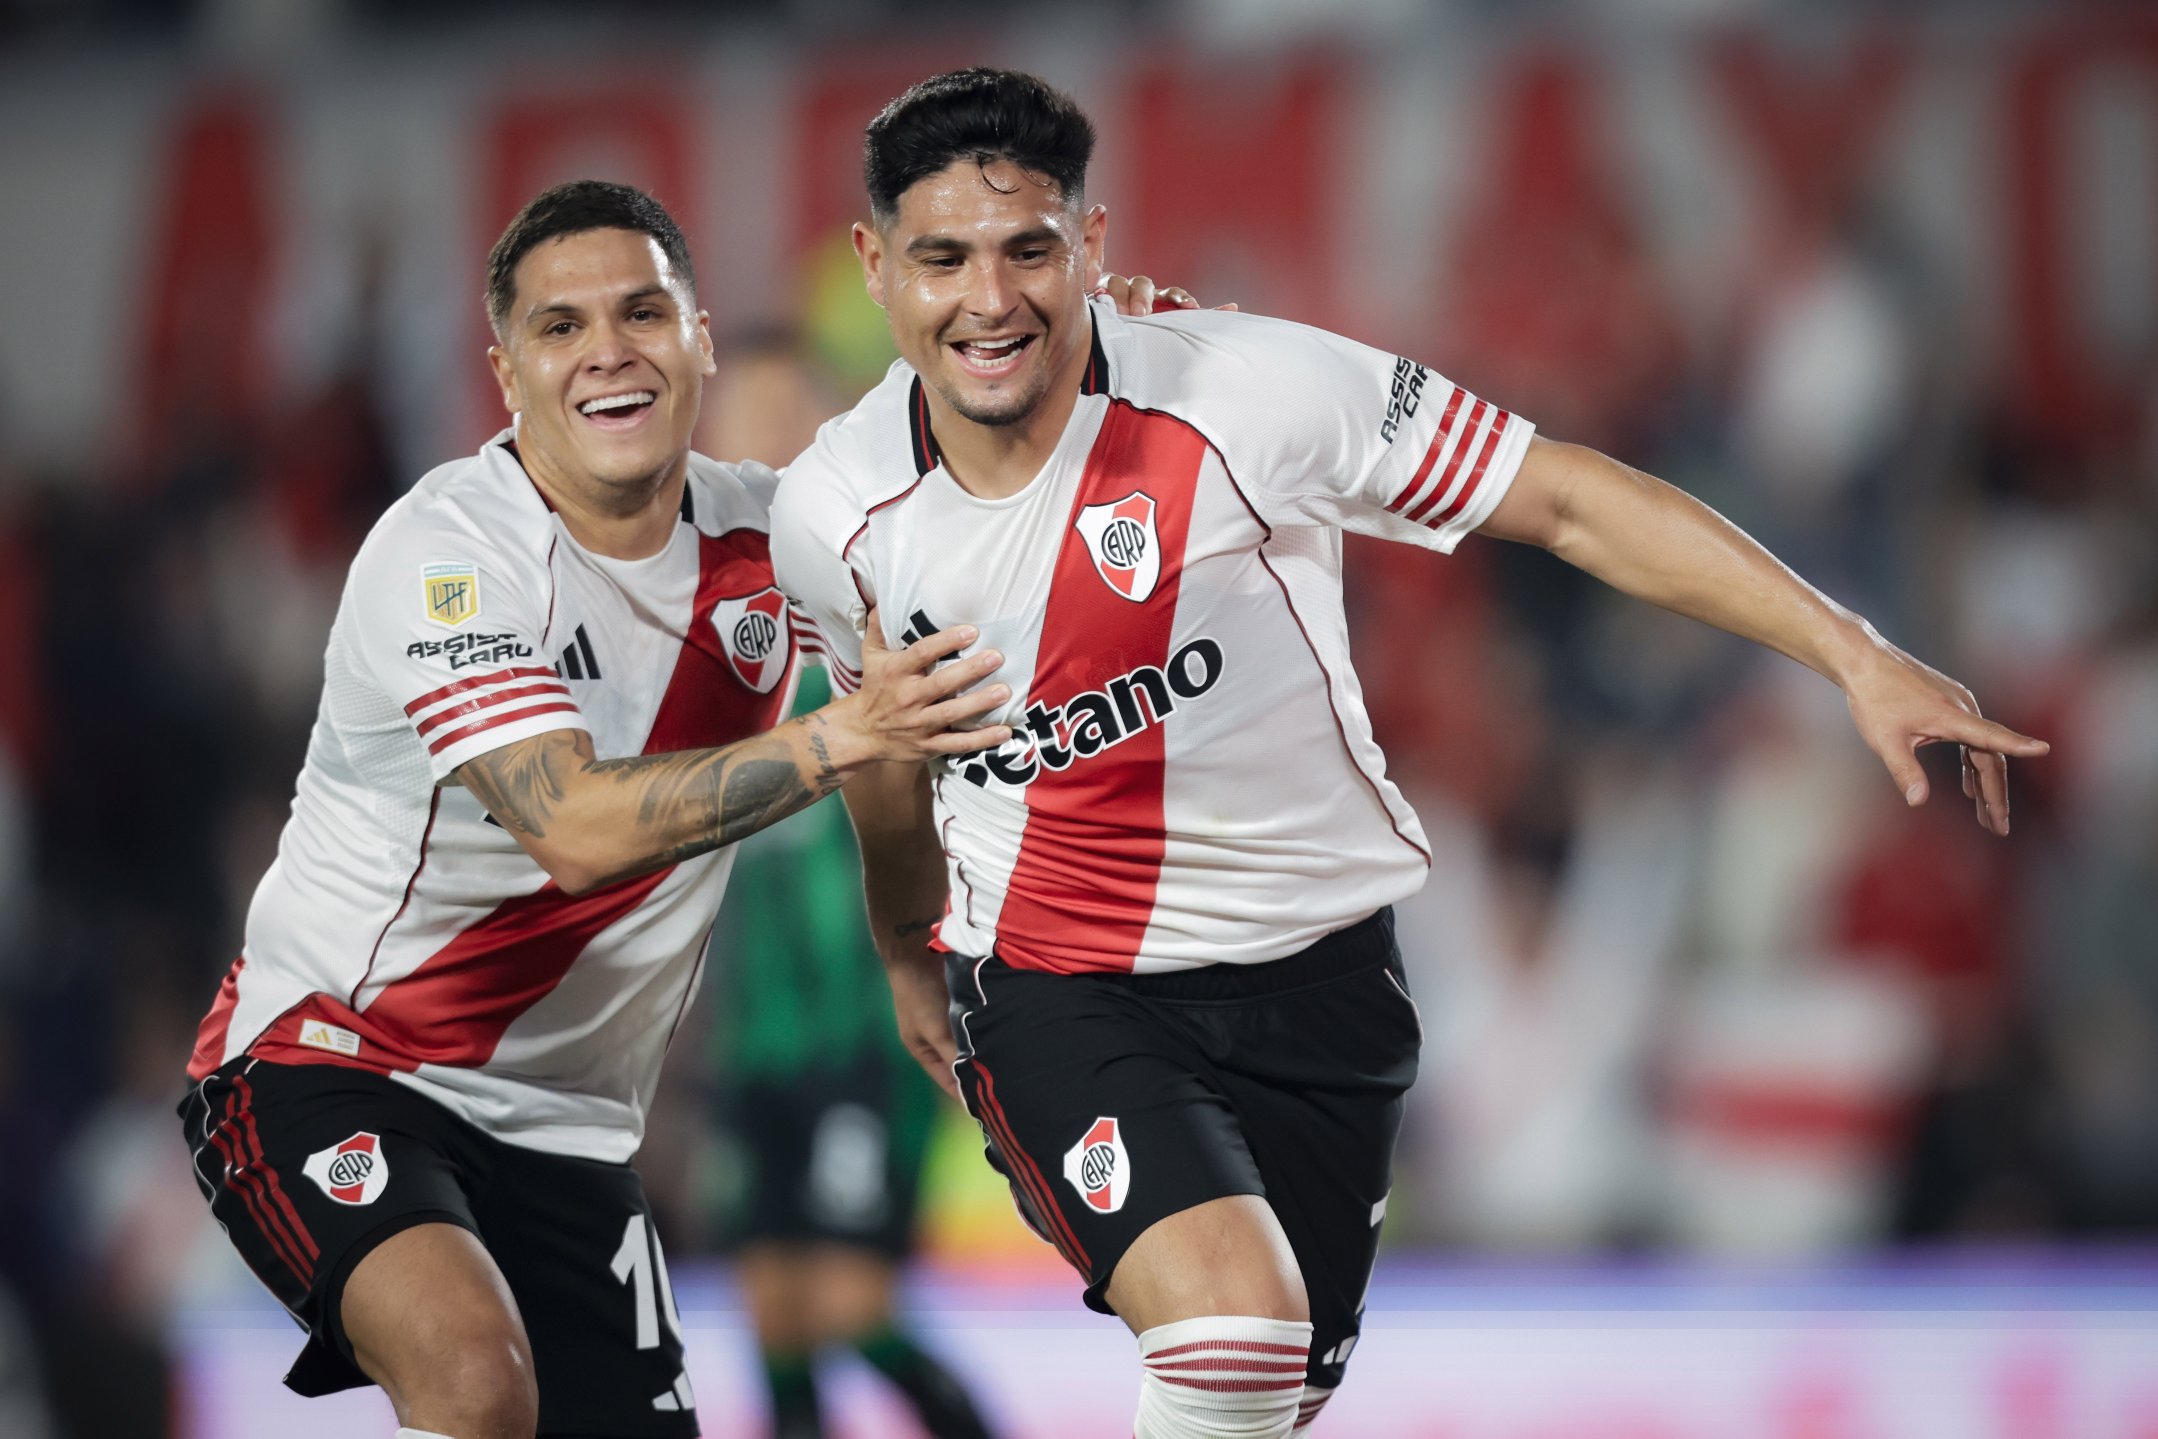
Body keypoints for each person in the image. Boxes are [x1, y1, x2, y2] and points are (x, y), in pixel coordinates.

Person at [767, 68, 2050, 1439]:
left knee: (1265, 1389)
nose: (989, 299)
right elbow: (887, 752)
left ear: (1088, 244)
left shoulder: (1251, 389)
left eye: (1027, 249)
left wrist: (1849, 648)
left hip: (1318, 974)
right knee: (1230, 1330)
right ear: (876, 264)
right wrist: (907, 940)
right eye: (941, 258)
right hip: (1058, 984)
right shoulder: (832, 512)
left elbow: (1560, 498)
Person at [176, 180, 1187, 1439]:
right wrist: (834, 732)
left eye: (643, 311)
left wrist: (1116, 371)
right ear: (505, 371)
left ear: (699, 337)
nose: (608, 348)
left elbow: (988, 527)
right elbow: (575, 828)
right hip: (335, 1064)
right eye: (560, 326)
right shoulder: (447, 555)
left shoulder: (777, 542)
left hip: (572, 1132)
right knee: (476, 1383)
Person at [699, 330, 995, 1439]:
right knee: (772, 1311)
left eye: (789, 416)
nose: (764, 441)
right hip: (754, 1037)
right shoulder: (705, 626)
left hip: (869, 1026)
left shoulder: (887, 591)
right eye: (745, 417)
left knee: (849, 1306)